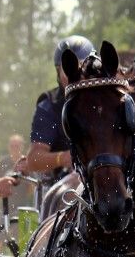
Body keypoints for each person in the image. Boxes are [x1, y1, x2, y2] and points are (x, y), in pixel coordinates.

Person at [15, 35, 96, 193]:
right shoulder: (49, 106)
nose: (75, 74)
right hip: (62, 189)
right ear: (58, 71)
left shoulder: (107, 100)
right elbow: (34, 160)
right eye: (68, 68)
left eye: (81, 67)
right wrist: (64, 158)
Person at [0, 134, 34, 208]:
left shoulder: (26, 163)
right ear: (8, 147)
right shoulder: (3, 162)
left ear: (22, 147)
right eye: (12, 146)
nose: (14, 148)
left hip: (22, 205)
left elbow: (32, 188)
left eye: (17, 146)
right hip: (5, 205)